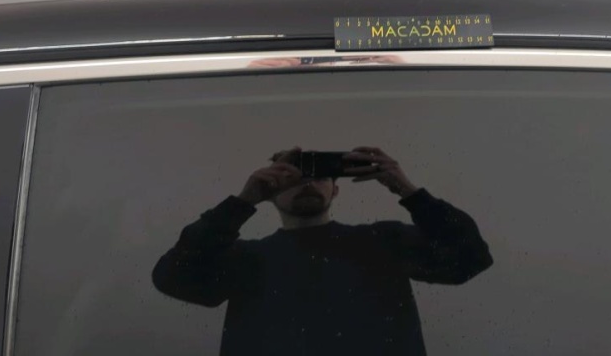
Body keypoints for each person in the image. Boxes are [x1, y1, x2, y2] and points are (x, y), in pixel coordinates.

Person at [152, 145, 493, 356]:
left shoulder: (383, 241)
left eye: (319, 175)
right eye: (291, 176)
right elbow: (172, 278)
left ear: (335, 190)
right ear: (270, 192)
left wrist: (406, 188)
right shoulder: (246, 259)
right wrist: (243, 200)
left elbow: (470, 258)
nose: (307, 183)